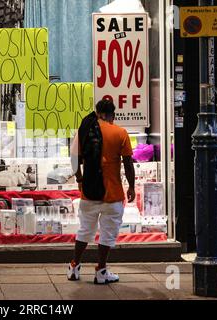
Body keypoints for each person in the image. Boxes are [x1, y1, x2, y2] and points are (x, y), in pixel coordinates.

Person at [67, 98, 135, 284]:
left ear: (97, 112)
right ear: (112, 114)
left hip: (89, 191)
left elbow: (74, 158)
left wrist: (80, 180)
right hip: (112, 194)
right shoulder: (120, 132)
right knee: (107, 233)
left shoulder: (85, 130)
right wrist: (132, 186)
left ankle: (74, 267)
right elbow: (128, 164)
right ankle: (101, 271)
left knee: (84, 230)